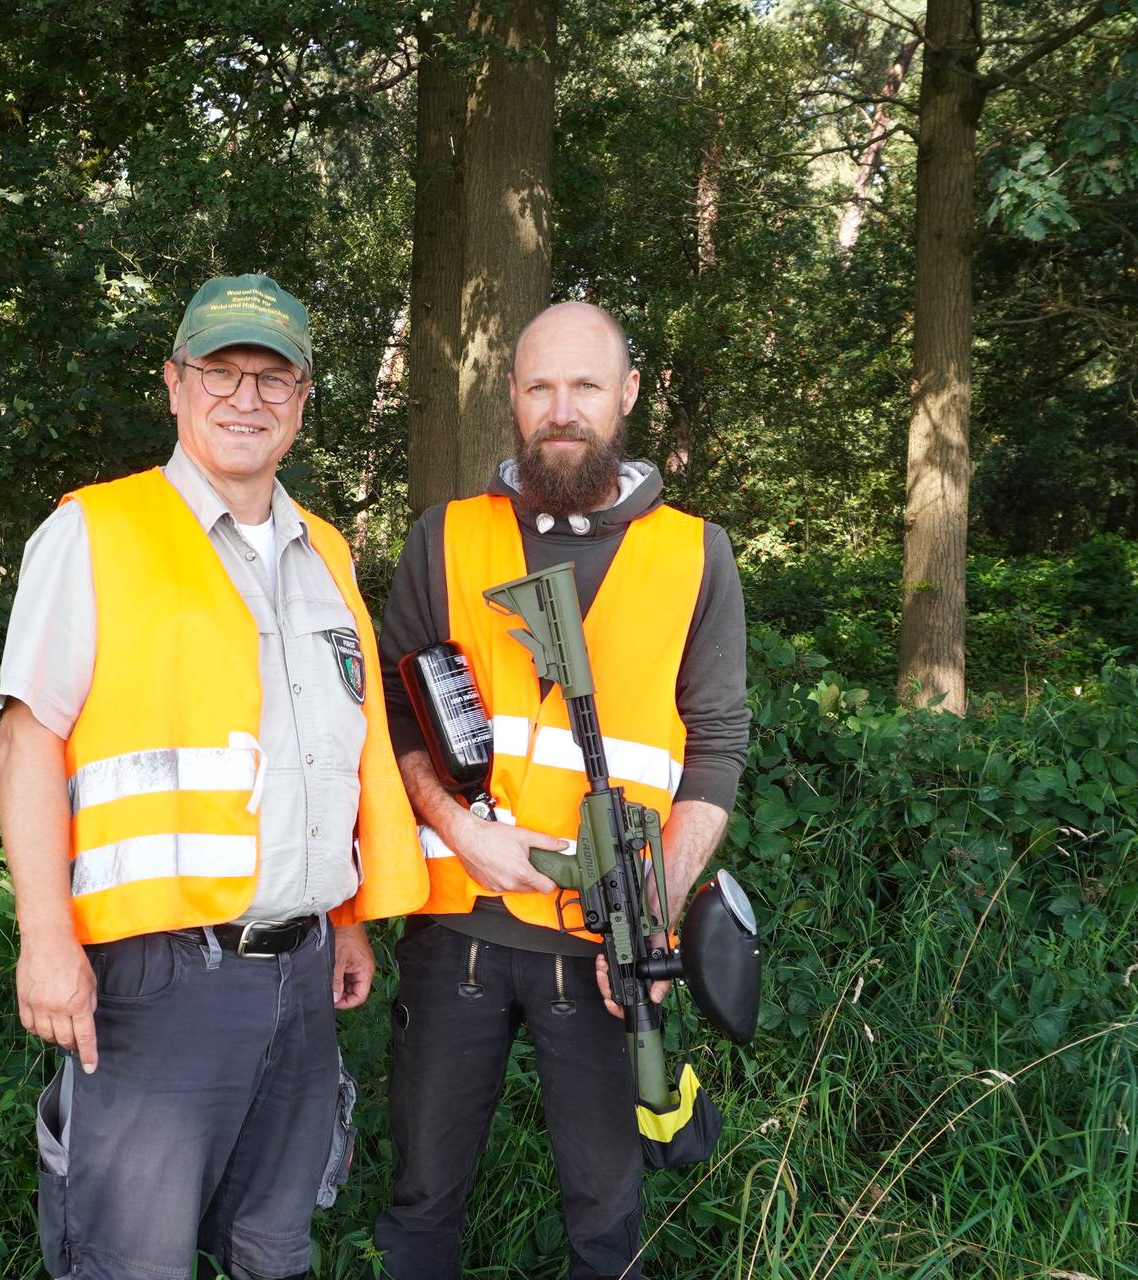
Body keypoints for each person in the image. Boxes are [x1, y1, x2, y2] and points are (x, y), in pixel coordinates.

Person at [0, 273, 429, 1280]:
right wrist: (45, 939)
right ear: (175, 383)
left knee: (273, 1251)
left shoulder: (324, 551)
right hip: (157, 977)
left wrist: (345, 918)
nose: (245, 398)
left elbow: (328, 748)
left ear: (303, 399)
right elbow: (27, 741)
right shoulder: (96, 531)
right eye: (220, 372)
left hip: (303, 973)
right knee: (131, 1261)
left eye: (272, 378)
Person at [370, 301, 752, 1280]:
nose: (562, 408)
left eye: (585, 384)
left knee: (606, 1221)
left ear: (628, 394)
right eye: (540, 386)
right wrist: (460, 826)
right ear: (512, 396)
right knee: (420, 1201)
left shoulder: (695, 554)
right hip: (456, 930)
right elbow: (397, 716)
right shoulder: (447, 536)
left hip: (602, 948)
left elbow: (716, 746)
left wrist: (653, 905)